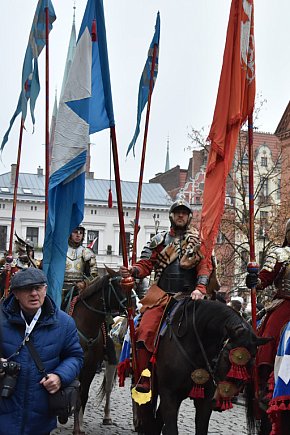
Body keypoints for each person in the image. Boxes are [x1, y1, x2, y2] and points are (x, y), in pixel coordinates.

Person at [120, 198, 213, 393]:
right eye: (177, 212)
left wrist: (200, 288)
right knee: (145, 329)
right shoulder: (159, 241)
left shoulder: (198, 243)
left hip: (190, 296)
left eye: (184, 213)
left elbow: (204, 268)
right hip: (162, 295)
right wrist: (133, 271)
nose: (181, 216)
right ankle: (144, 376)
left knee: (211, 330)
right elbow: (145, 265)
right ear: (171, 216)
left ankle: (210, 376)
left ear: (189, 217)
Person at [0, 268, 83, 435]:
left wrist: (60, 376)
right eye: (26, 289)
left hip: (41, 413)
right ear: (15, 293)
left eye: (38, 288)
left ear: (45, 289)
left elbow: (75, 356)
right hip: (4, 407)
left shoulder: (65, 322)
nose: (34, 293)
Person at [246, 218, 290, 432]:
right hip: (285, 302)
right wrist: (255, 280)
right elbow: (265, 277)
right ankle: (265, 382)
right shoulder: (280, 254)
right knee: (271, 333)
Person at [62, 225, 99, 302]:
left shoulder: (87, 252)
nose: (78, 235)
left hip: (78, 289)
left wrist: (84, 283)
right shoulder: (61, 250)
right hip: (60, 287)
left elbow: (94, 275)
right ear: (70, 234)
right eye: (75, 232)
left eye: (81, 233)